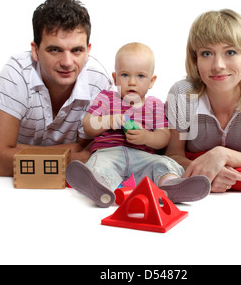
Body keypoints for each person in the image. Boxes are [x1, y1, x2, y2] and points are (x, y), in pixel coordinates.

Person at [65, 42, 210, 207]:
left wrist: (146, 136)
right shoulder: (106, 98)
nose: (132, 82)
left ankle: (170, 185)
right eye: (125, 75)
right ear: (115, 78)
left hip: (143, 157)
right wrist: (108, 121)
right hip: (109, 153)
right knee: (98, 164)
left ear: (151, 81)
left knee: (164, 164)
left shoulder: (154, 105)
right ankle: (101, 188)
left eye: (140, 76)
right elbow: (87, 126)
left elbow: (164, 137)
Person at [0, 0, 112, 177]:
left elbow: (99, 155)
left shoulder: (98, 80)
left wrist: (17, 150)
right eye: (55, 50)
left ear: (88, 50)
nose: (67, 63)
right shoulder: (17, 72)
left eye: (76, 50)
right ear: (35, 50)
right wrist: (76, 154)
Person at [165, 9, 241, 193]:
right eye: (207, 54)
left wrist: (222, 154)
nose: (218, 66)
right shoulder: (182, 93)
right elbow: (173, 155)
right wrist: (206, 175)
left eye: (230, 52)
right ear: (195, 60)